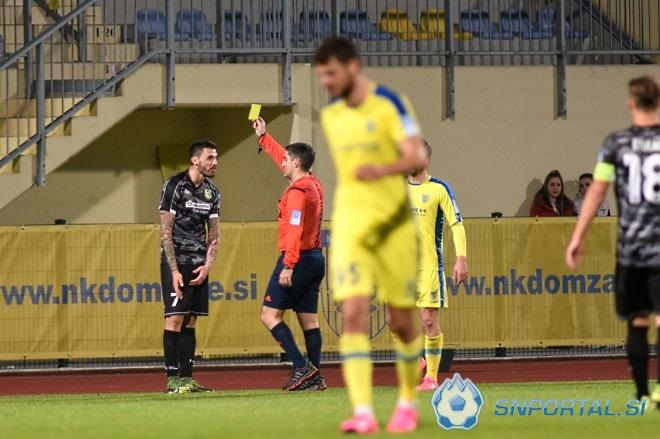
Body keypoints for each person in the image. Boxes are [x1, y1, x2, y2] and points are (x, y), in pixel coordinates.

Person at [315, 37, 427, 434]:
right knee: (353, 313)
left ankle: (408, 402)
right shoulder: (332, 116)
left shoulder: (390, 103)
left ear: (353, 67)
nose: (326, 82)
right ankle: (362, 411)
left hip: (394, 227)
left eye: (331, 74)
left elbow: (417, 156)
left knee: (400, 321)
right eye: (321, 76)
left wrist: (381, 170)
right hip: (350, 229)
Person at [566, 75, 660, 409]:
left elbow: (597, 190)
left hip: (632, 249)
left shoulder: (616, 144)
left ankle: (642, 394)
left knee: (638, 320)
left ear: (630, 103)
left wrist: (578, 235)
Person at [252, 117, 326, 392]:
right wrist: (264, 138)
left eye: (286, 159)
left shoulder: (296, 192)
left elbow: (294, 229)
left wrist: (289, 264)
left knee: (269, 316)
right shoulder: (313, 183)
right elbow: (287, 159)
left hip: (298, 259)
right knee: (309, 320)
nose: (281, 162)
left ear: (296, 163)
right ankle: (315, 377)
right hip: (315, 259)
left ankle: (301, 367)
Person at [159, 139, 221, 394]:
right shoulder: (174, 185)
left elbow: (214, 235)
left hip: (198, 264)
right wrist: (174, 271)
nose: (215, 162)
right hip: (177, 262)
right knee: (174, 318)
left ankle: (186, 379)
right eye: (210, 158)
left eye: (216, 157)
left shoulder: (212, 192)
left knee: (191, 320)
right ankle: (172, 380)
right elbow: (165, 232)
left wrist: (207, 266)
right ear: (195, 160)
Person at [407, 140, 468, 391]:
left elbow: (456, 225)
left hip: (429, 267)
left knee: (428, 320)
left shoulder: (439, 188)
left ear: (427, 160)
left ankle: (431, 377)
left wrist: (461, 258)